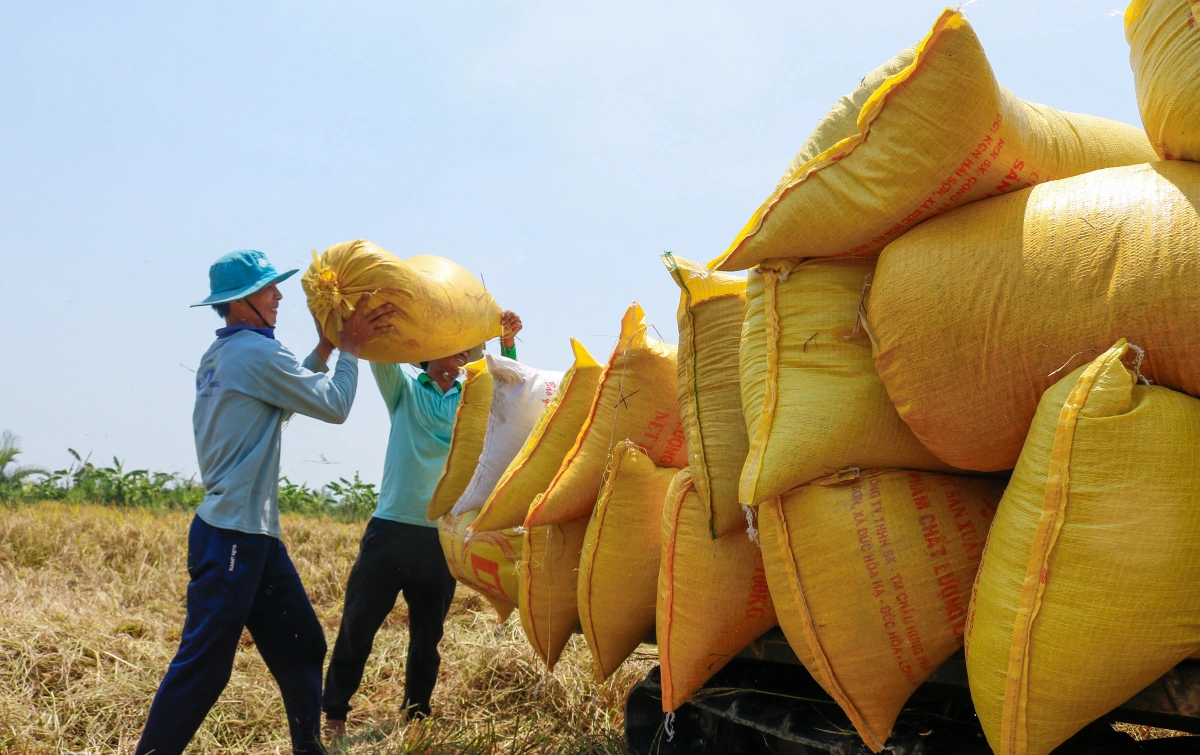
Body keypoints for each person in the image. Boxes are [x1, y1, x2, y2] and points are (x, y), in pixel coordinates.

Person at [136, 250, 395, 755]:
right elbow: (333, 406)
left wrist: (322, 350)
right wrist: (351, 349)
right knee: (204, 669)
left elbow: (279, 400)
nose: (279, 296)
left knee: (303, 643)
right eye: (267, 289)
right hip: (233, 535)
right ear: (239, 302)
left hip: (252, 537)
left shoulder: (224, 355)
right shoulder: (254, 352)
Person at [322, 311, 524, 738]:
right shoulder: (405, 393)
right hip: (391, 530)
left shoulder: (471, 400)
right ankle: (335, 713)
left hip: (440, 537)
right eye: (452, 350)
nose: (462, 356)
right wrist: (386, 318)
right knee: (359, 624)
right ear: (431, 356)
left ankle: (416, 715)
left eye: (466, 351)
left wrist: (507, 343)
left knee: (427, 636)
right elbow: (382, 359)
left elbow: (509, 393)